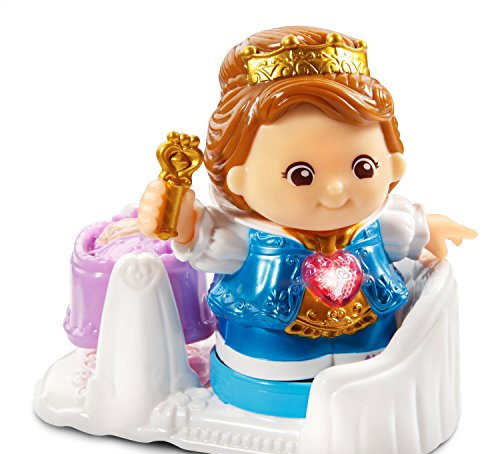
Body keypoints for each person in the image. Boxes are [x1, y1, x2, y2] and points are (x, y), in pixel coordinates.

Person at [104, 26, 476, 418]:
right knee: (280, 369)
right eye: (301, 175)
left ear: (394, 163)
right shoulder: (248, 236)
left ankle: (363, 382)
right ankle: (278, 386)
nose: (336, 190)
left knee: (367, 373)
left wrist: (430, 228)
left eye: (362, 167)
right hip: (270, 355)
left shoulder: (377, 224)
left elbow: (407, 230)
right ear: (239, 178)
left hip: (370, 350)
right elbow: (203, 239)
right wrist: (178, 218)